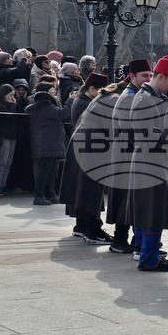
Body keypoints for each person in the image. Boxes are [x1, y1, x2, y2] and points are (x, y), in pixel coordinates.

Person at [127, 56, 168, 272]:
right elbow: (147, 134)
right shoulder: (145, 100)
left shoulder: (154, 97)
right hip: (149, 161)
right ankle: (148, 257)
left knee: (154, 209)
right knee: (152, 210)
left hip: (154, 160)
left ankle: (149, 254)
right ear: (161, 76)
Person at [59, 72, 111, 242]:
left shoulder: (81, 101)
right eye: (101, 91)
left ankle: (82, 226)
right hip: (87, 151)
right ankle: (91, 229)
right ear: (92, 88)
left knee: (81, 191)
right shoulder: (86, 104)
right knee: (88, 192)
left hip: (82, 149)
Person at [106, 59, 151, 255]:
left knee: (128, 198)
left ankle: (129, 238)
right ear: (132, 76)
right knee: (124, 198)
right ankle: (119, 239)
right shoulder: (128, 97)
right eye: (144, 76)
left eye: (150, 76)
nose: (148, 79)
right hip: (125, 152)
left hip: (128, 150)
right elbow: (129, 130)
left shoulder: (136, 95)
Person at [26, 81, 70, 205]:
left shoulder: (40, 108)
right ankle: (39, 195)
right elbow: (63, 113)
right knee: (45, 171)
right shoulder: (46, 107)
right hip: (49, 144)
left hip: (49, 144)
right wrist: (70, 100)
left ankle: (50, 194)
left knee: (50, 170)